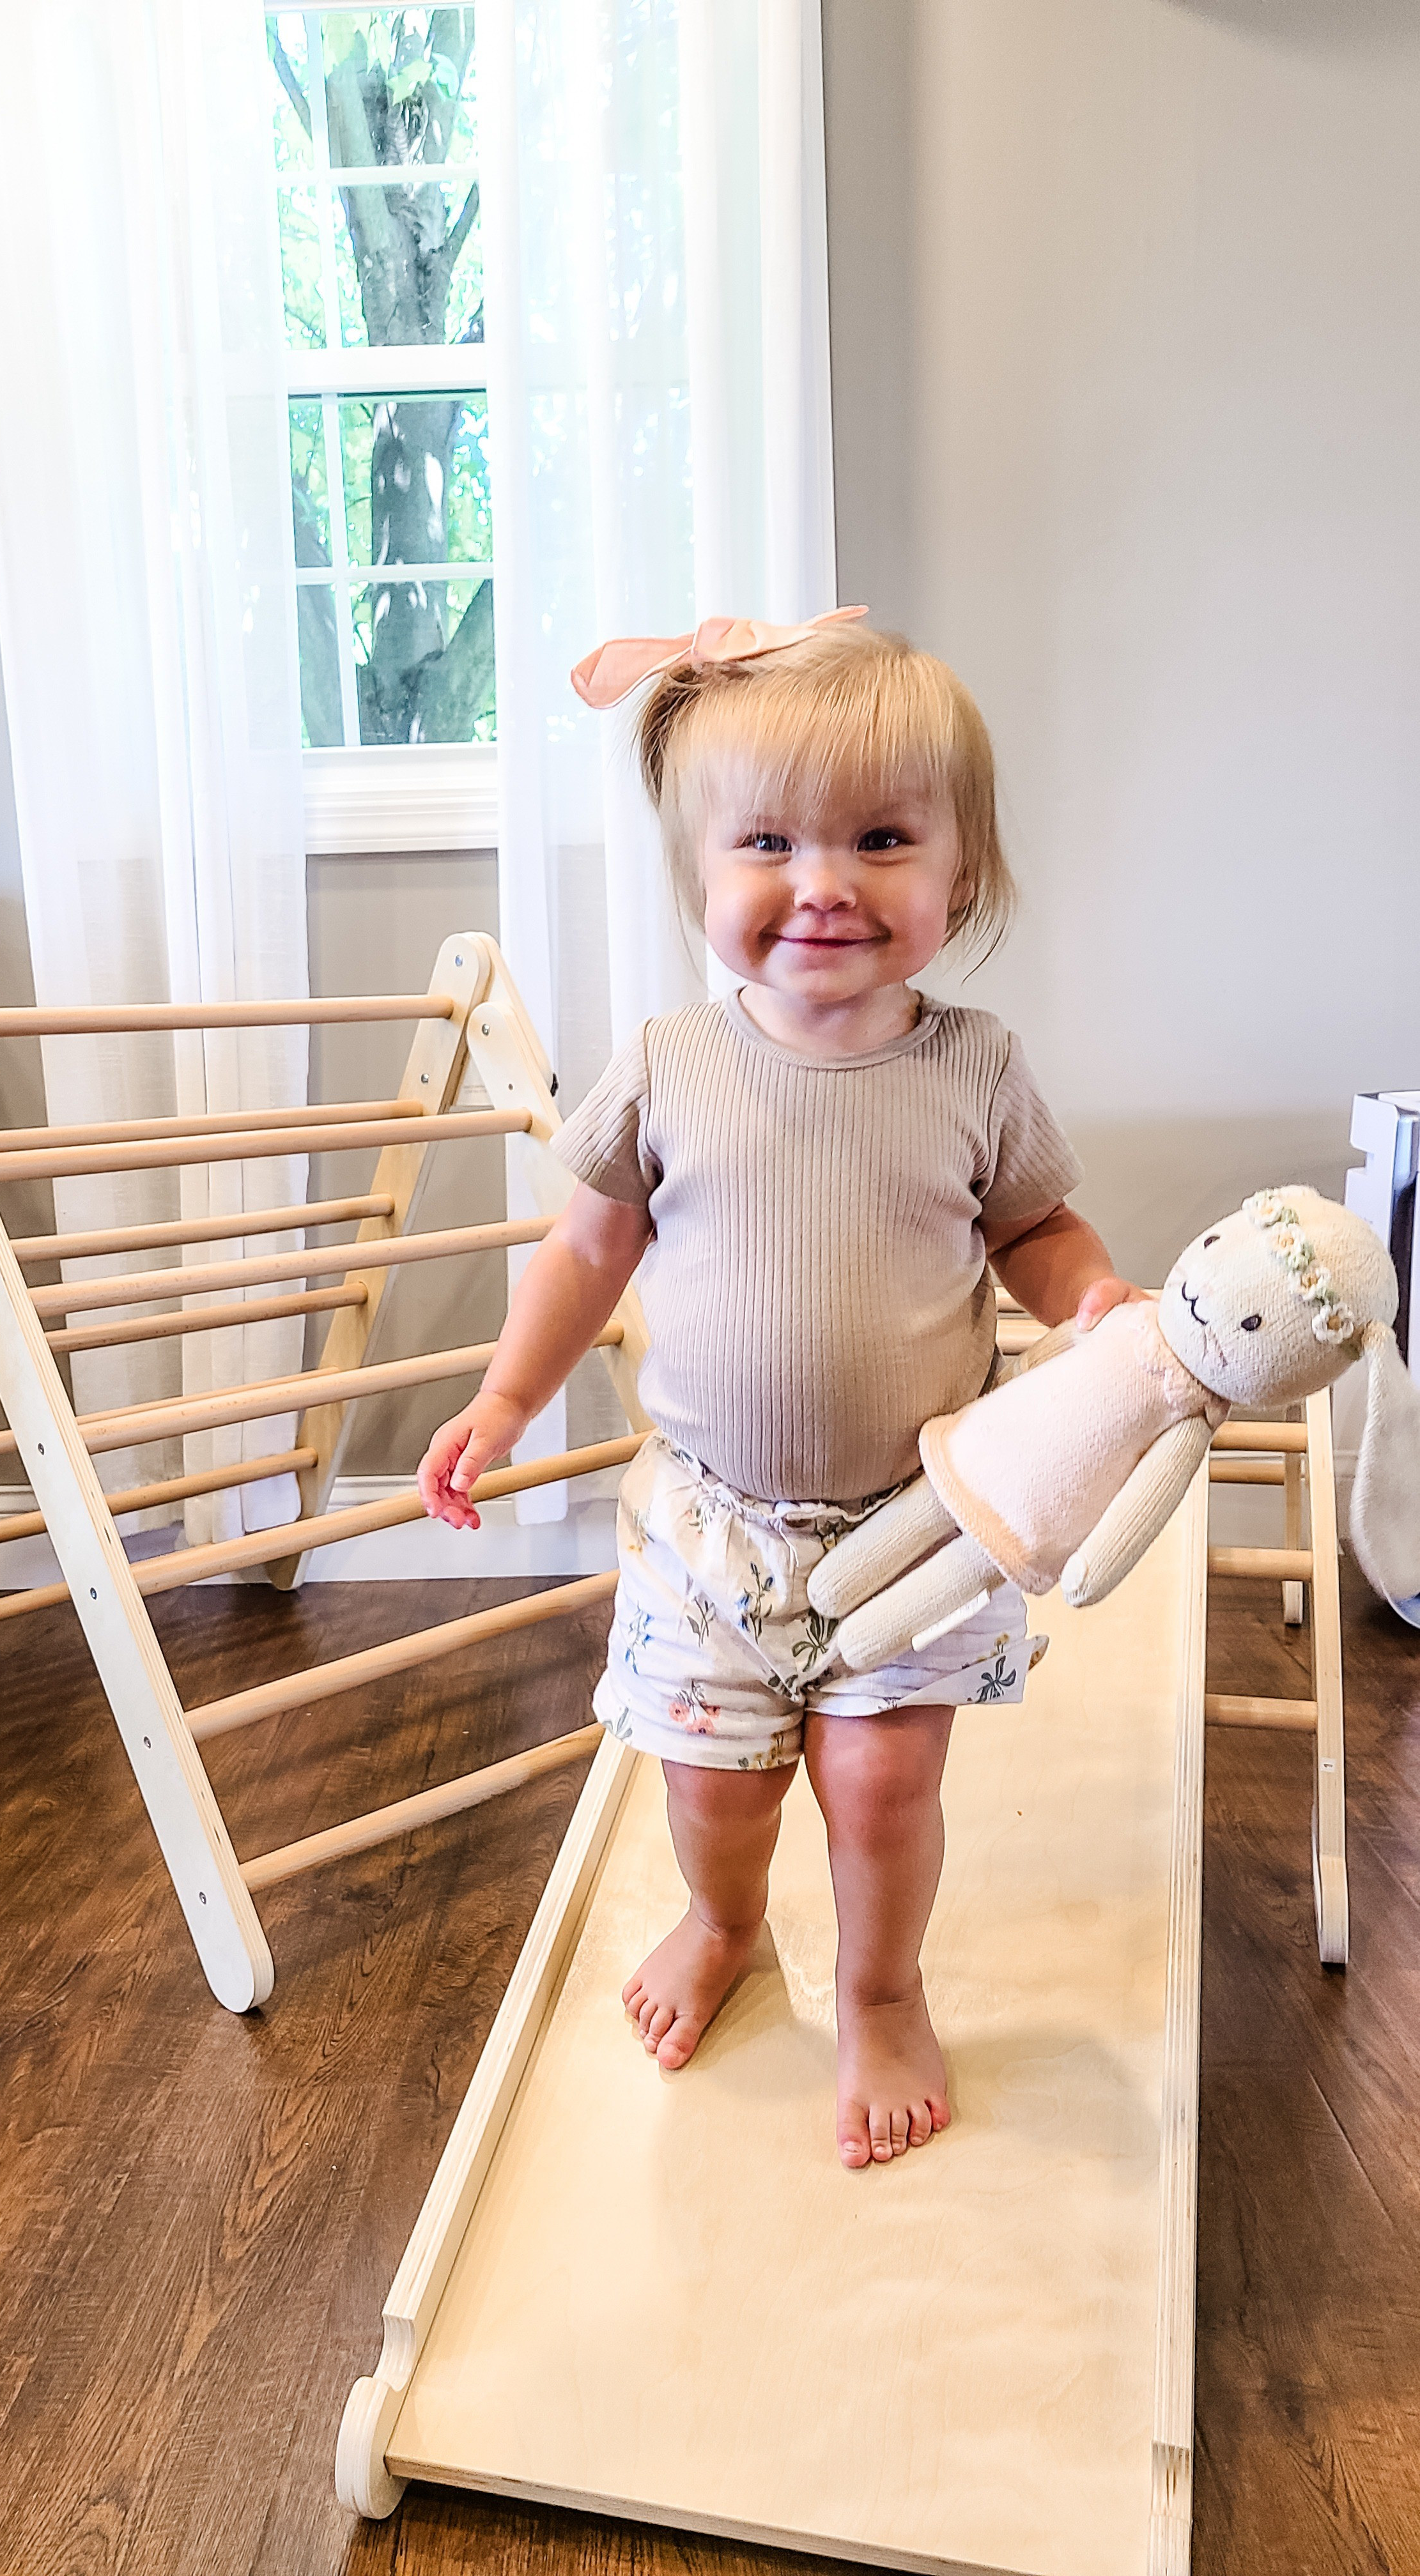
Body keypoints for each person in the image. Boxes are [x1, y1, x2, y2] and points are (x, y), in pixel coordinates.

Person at [417, 613, 1145, 2170]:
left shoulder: (977, 1068)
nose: (824, 882)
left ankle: (882, 1990)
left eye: (882, 839)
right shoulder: (669, 1063)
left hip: (914, 1521)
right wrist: (500, 1402)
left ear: (963, 873)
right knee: (714, 1787)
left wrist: (1091, 1298)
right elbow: (586, 1248)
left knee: (882, 1789)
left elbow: (1034, 1227)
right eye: (770, 843)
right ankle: (724, 1921)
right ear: (701, 876)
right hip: (709, 1524)